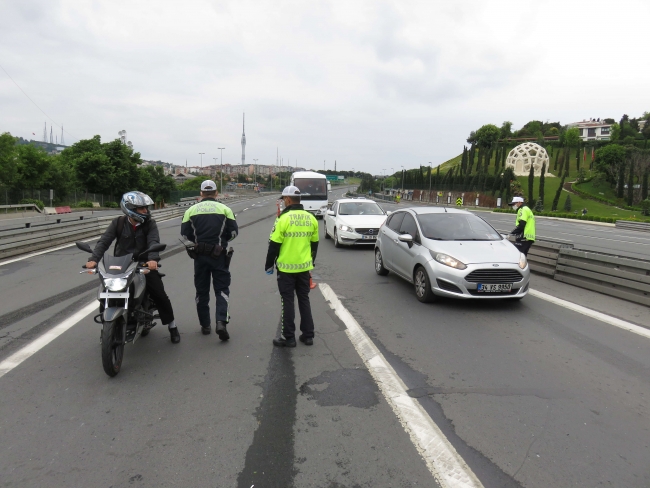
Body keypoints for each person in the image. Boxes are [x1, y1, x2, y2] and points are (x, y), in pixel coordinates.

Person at [86, 191, 180, 343]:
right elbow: (104, 241)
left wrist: (152, 260)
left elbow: (153, 242)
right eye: (141, 208)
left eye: (146, 208)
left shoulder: (150, 223)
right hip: (121, 265)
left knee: (159, 294)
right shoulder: (118, 223)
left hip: (143, 264)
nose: (145, 211)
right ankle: (107, 327)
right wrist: (93, 259)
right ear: (129, 208)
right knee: (105, 292)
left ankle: (172, 326)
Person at [181, 180, 238, 340]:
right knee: (221, 290)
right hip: (219, 256)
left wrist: (198, 242)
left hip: (199, 257)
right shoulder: (225, 209)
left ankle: (205, 325)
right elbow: (234, 233)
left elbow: (185, 234)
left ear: (201, 193)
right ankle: (221, 321)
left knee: (201, 291)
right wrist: (222, 240)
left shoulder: (191, 210)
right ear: (216, 193)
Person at [265, 186, 319, 347]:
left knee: (287, 301)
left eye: (283, 199)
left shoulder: (284, 219)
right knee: (304, 299)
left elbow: (273, 245)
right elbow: (314, 245)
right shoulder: (311, 218)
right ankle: (308, 336)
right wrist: (310, 263)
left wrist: (269, 265)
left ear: (288, 200)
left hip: (286, 269)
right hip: (303, 268)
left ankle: (288, 337)